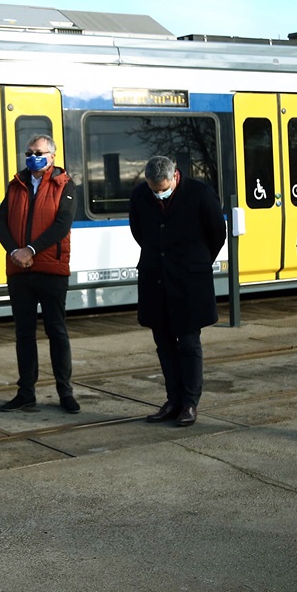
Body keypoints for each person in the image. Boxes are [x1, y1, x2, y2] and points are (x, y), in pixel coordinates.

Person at [129, 156, 226, 427]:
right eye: (154, 189)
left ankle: (190, 403)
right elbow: (139, 231)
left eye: (163, 188)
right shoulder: (139, 195)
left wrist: (196, 261)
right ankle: (173, 400)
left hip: (189, 281)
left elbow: (217, 232)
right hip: (155, 279)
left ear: (175, 177)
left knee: (189, 343)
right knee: (163, 343)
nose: (159, 194)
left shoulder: (200, 193)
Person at [0, 134, 80, 414]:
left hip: (51, 270)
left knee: (57, 331)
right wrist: (15, 252)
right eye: (30, 152)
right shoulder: (15, 184)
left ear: (52, 157)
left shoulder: (65, 185)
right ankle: (25, 393)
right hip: (19, 271)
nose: (33, 156)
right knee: (24, 334)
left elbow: (62, 224)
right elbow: (1, 223)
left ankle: (65, 392)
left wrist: (30, 249)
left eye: (39, 152)